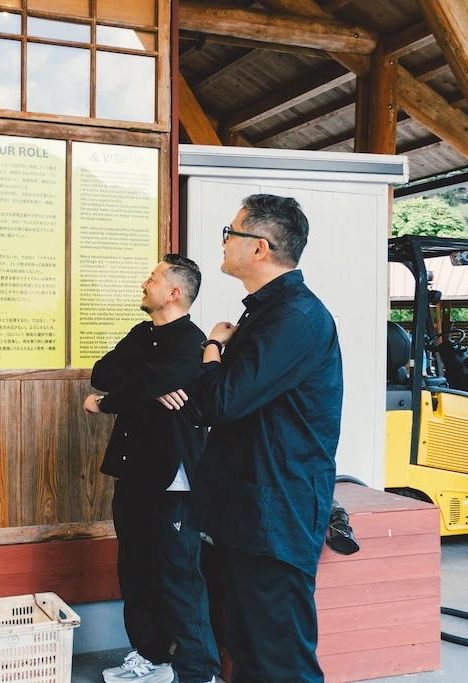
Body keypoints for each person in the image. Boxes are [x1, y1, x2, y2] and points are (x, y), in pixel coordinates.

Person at [163, 194, 343, 682]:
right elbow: (217, 402)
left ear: (259, 248)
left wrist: (213, 347)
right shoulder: (266, 313)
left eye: (231, 232)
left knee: (282, 660)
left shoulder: (296, 318)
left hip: (276, 516)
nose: (224, 241)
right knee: (245, 652)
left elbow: (221, 402)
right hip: (248, 511)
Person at [84, 254, 220, 683]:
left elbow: (112, 392)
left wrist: (122, 397)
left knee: (178, 576)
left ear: (174, 292)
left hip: (173, 479)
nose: (146, 282)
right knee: (136, 571)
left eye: (154, 277)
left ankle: (201, 672)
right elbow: (102, 373)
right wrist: (152, 387)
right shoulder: (144, 334)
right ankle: (152, 657)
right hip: (133, 471)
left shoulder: (192, 343)